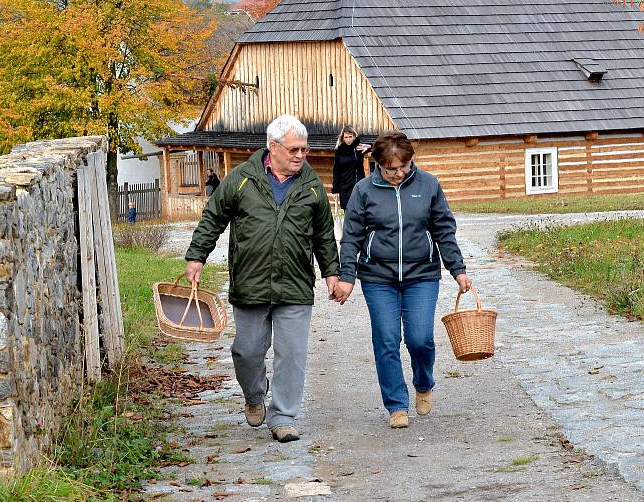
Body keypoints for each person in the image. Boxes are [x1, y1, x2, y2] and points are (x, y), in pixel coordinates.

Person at [185, 115, 339, 443]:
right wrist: (197, 256)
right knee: (246, 351)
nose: (301, 155)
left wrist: (332, 273)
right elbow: (213, 217)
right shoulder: (241, 179)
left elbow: (325, 233)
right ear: (273, 147)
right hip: (250, 282)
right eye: (294, 149)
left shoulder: (311, 185)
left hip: (295, 283)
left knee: (292, 353)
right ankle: (255, 394)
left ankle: (283, 416)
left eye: (305, 149)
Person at [332, 131, 472, 429]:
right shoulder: (363, 190)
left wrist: (457, 269)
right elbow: (351, 237)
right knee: (386, 340)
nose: (399, 173)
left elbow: (443, 230)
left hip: (421, 274)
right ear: (378, 165)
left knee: (420, 339)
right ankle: (396, 405)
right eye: (391, 169)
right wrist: (347, 277)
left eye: (404, 166)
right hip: (377, 277)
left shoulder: (428, 184)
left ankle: (424, 382)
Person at [332, 126, 371, 211]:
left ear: (354, 136)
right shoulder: (339, 151)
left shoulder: (358, 148)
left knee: (360, 212)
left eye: (350, 137)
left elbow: (378, 150)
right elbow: (336, 171)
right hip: (344, 187)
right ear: (343, 137)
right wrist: (335, 190)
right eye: (346, 137)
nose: (348, 140)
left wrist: (369, 147)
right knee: (348, 212)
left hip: (358, 185)